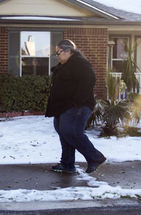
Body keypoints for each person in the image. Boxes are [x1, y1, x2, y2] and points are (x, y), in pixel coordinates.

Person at [45, 39, 106, 174]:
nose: (57, 56)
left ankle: (95, 157)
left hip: (76, 106)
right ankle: (67, 164)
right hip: (62, 106)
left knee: (71, 131)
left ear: (69, 51)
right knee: (63, 132)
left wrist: (76, 102)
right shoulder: (65, 65)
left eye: (59, 52)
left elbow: (89, 81)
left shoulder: (81, 64)